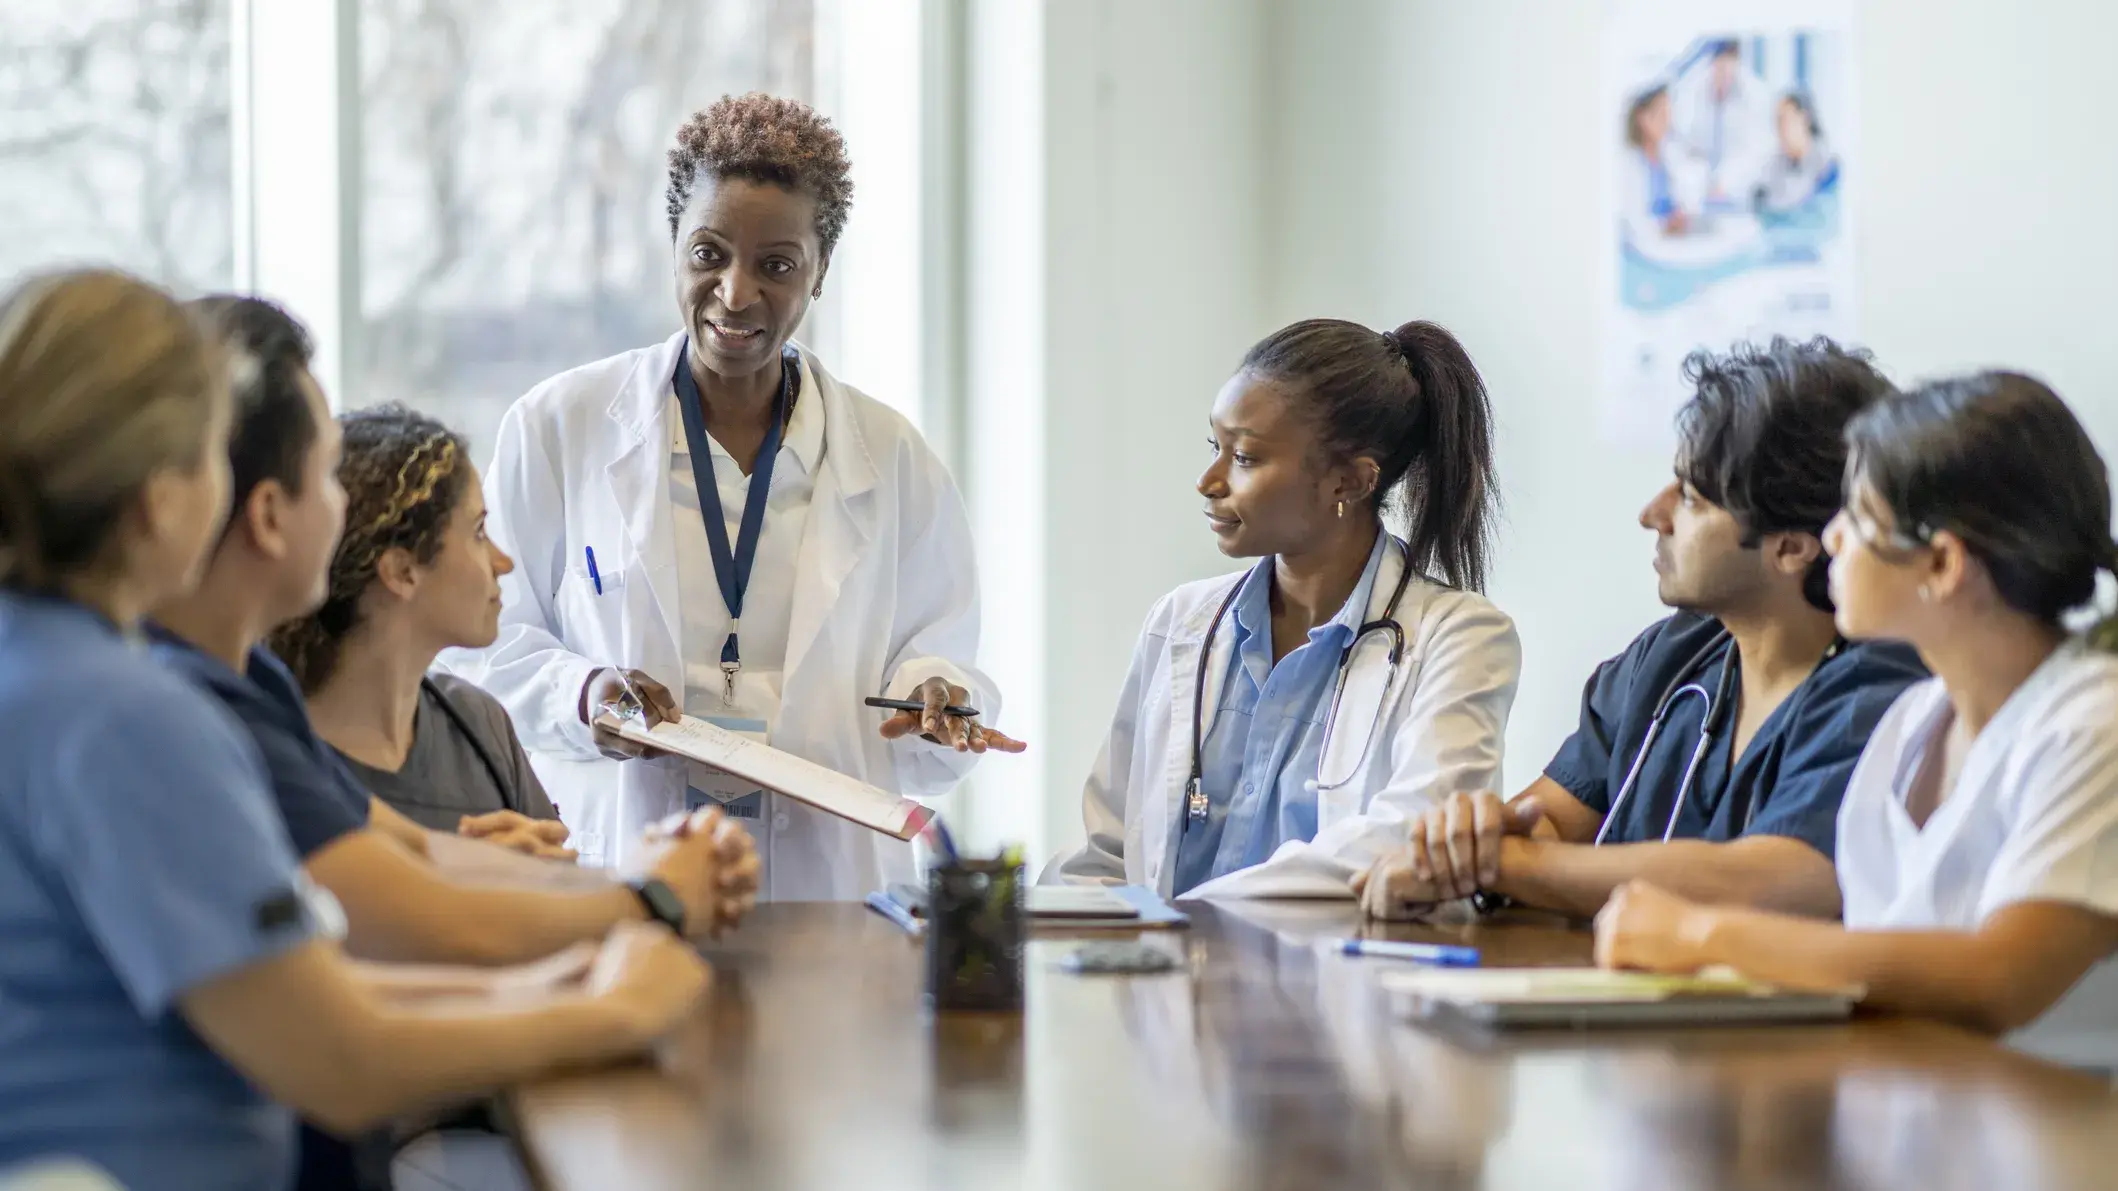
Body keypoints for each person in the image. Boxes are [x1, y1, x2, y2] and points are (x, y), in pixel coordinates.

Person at [0, 268, 708, 1191]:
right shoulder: (127, 716)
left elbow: (303, 984)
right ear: (159, 498)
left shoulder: (47, 666)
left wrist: (552, 986)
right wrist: (612, 1008)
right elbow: (337, 1056)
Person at [450, 92, 1024, 893]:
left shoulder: (894, 459)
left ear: (820, 273)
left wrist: (938, 696)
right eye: (709, 253)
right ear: (674, 248)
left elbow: (939, 662)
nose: (735, 292)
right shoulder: (558, 428)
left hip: (829, 888)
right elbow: (479, 647)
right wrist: (582, 695)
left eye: (777, 265)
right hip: (625, 866)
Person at [157, 294, 757, 967]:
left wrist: (525, 873)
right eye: (324, 476)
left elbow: (416, 865)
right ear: (267, 512)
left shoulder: (256, 691)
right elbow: (362, 996)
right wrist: (654, 898)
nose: (340, 510)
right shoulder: (177, 718)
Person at [1597, 372, 2118, 1062]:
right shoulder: (1910, 723)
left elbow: (1998, 979)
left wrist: (1702, 935)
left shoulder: (2092, 723)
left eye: (1860, 518)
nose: (1833, 537)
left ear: (1941, 563)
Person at [1357, 338, 1927, 921]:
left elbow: (1783, 876)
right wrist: (1473, 840)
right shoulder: (1675, 653)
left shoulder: (1884, 687)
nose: (1653, 514)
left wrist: (1505, 866)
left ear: (1790, 548)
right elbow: (1550, 819)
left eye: (1692, 498)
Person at [1050, 319, 1520, 899]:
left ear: (1349, 480)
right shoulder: (1180, 623)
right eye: (1214, 448)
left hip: (1340, 983)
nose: (1209, 481)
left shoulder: (1461, 639)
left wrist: (1182, 917)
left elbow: (1411, 842)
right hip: (1168, 982)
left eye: (1244, 457)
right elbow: (1111, 852)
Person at [273, 403, 564, 843]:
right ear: (402, 571)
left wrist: (546, 879)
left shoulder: (479, 726)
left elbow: (571, 895)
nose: (503, 563)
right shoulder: (274, 754)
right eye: (479, 532)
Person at [1753, 92, 1841, 215]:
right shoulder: (1774, 164)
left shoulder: (1827, 166)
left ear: (1805, 119)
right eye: (1778, 121)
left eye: (1786, 120)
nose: (1781, 128)